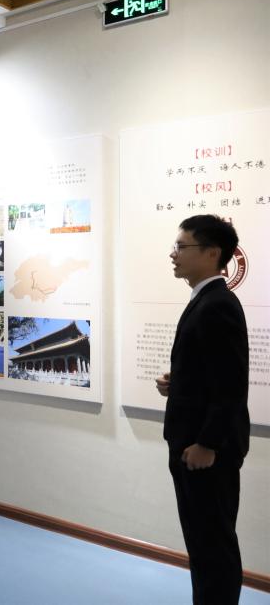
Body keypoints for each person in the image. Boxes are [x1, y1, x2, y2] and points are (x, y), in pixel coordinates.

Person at [157, 214, 249, 604]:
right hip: (194, 445)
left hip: (205, 452)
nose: (173, 254)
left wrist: (208, 443)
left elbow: (232, 385)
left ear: (212, 253)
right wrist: (177, 384)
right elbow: (212, 373)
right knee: (203, 543)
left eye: (182, 246)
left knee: (213, 547)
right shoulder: (206, 300)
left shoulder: (217, 305)